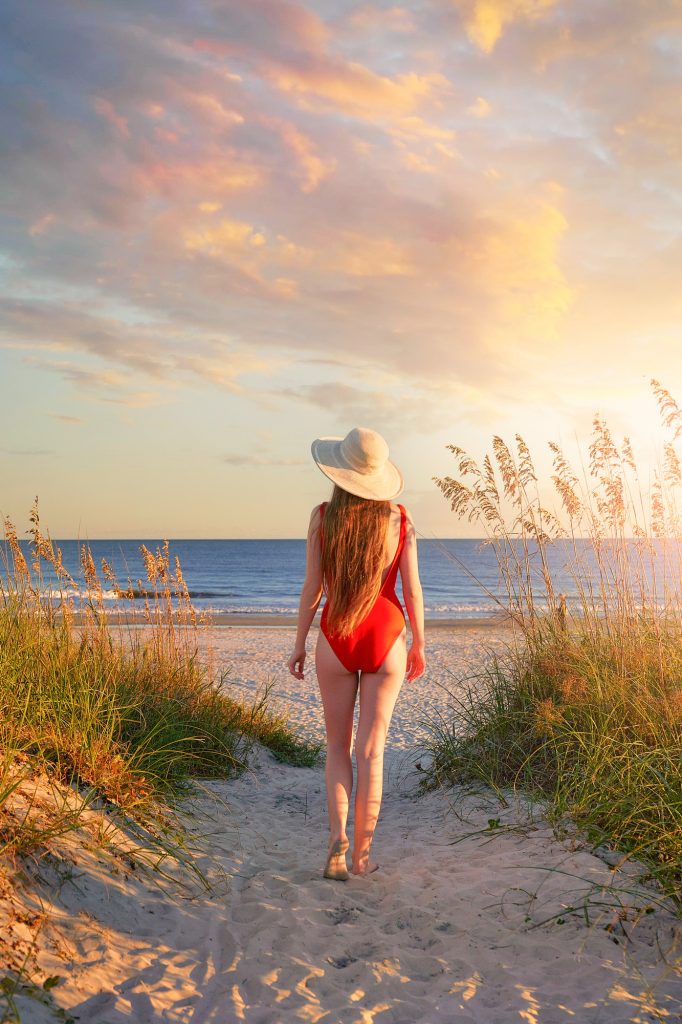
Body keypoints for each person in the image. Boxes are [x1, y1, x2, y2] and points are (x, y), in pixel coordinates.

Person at [287, 426, 425, 879]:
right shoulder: (400, 520)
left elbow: (313, 588)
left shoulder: (322, 517)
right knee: (372, 753)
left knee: (336, 748)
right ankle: (363, 856)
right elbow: (412, 589)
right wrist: (419, 642)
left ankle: (336, 848)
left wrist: (300, 642)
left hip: (336, 633)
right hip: (386, 635)